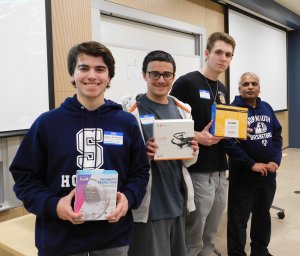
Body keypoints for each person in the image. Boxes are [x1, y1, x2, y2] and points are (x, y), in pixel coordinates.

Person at [9, 41, 150, 256]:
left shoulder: (126, 122)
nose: (92, 75)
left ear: (109, 76)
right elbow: (24, 178)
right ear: (72, 74)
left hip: (113, 238)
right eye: (84, 68)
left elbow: (140, 172)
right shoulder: (47, 123)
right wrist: (54, 205)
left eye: (100, 69)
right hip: (59, 239)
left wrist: (128, 199)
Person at [121, 50, 199, 256]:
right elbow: (120, 159)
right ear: (144, 75)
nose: (161, 80)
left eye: (167, 74)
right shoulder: (130, 112)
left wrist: (193, 152)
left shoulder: (183, 110)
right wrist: (142, 154)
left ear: (173, 76)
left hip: (177, 201)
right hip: (150, 205)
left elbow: (188, 163)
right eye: (154, 74)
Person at [169, 32, 236, 256]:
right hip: (197, 169)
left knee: (212, 228)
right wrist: (198, 136)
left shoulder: (223, 89)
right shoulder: (186, 83)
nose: (223, 58)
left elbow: (221, 126)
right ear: (206, 53)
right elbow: (169, 126)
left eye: (228, 55)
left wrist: (236, 129)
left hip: (220, 169)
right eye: (218, 52)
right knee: (194, 230)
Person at [225, 72, 282, 256]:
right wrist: (250, 164)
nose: (250, 87)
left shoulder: (266, 107)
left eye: (254, 83)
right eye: (246, 84)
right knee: (238, 220)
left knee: (262, 215)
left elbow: (276, 136)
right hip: (244, 176)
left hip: (267, 175)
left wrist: (275, 160)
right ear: (239, 88)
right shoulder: (233, 110)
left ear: (259, 88)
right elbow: (229, 143)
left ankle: (260, 251)